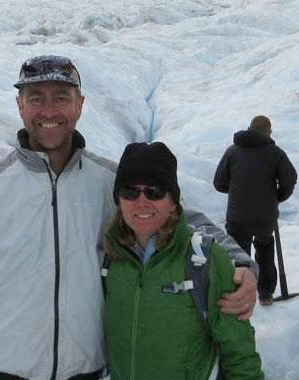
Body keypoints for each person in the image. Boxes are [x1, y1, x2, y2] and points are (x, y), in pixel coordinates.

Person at [0, 55, 258, 380]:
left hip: (85, 373)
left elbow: (180, 218)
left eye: (61, 98)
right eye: (36, 99)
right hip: (0, 373)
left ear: (79, 105)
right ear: (20, 105)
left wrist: (242, 264)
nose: (49, 111)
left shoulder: (109, 183)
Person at [104, 142, 264, 380]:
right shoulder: (111, 258)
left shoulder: (203, 260)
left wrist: (244, 265)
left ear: (173, 202)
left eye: (154, 191)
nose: (141, 201)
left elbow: (240, 354)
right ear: (118, 199)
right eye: (130, 191)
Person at [214, 115, 297, 306]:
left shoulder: (232, 152)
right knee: (265, 249)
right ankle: (266, 294)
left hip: (237, 216)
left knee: (237, 255)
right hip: (264, 216)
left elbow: (218, 182)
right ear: (269, 132)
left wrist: (237, 190)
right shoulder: (275, 153)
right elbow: (290, 179)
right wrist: (277, 196)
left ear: (249, 128)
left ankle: (237, 296)